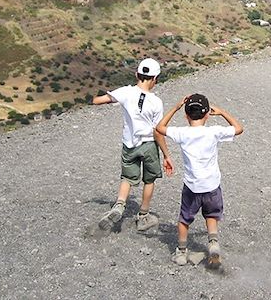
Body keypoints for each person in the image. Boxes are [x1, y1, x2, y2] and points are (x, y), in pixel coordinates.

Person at [154, 93, 243, 268]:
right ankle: (213, 243)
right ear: (207, 114)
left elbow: (160, 127)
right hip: (211, 185)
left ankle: (181, 252)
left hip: (192, 186)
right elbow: (238, 128)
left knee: (184, 219)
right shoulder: (214, 131)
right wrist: (223, 112)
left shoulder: (181, 133)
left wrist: (175, 107)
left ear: (186, 115)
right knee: (211, 214)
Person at [92, 58, 170, 232]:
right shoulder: (156, 102)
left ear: (137, 75)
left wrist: (94, 94)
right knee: (149, 180)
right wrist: (166, 155)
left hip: (129, 144)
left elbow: (98, 101)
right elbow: (158, 131)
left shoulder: (125, 92)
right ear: (155, 78)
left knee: (127, 178)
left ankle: (119, 205)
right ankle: (143, 216)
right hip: (149, 144)